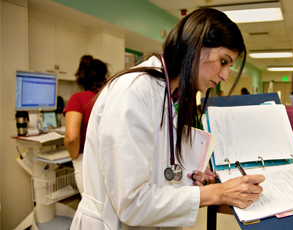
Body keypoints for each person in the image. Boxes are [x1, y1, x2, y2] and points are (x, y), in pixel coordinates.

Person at [70, 8, 264, 230]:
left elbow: (159, 172)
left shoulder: (169, 95)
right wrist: (216, 193)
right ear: (196, 46)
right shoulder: (133, 92)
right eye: (223, 61)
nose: (225, 76)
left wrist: (190, 180)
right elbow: (132, 203)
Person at [64, 55, 109, 195]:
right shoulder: (111, 97)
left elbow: (71, 138)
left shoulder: (78, 99)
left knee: (91, 207)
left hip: (87, 162)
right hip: (111, 159)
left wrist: (74, 157)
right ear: (106, 77)